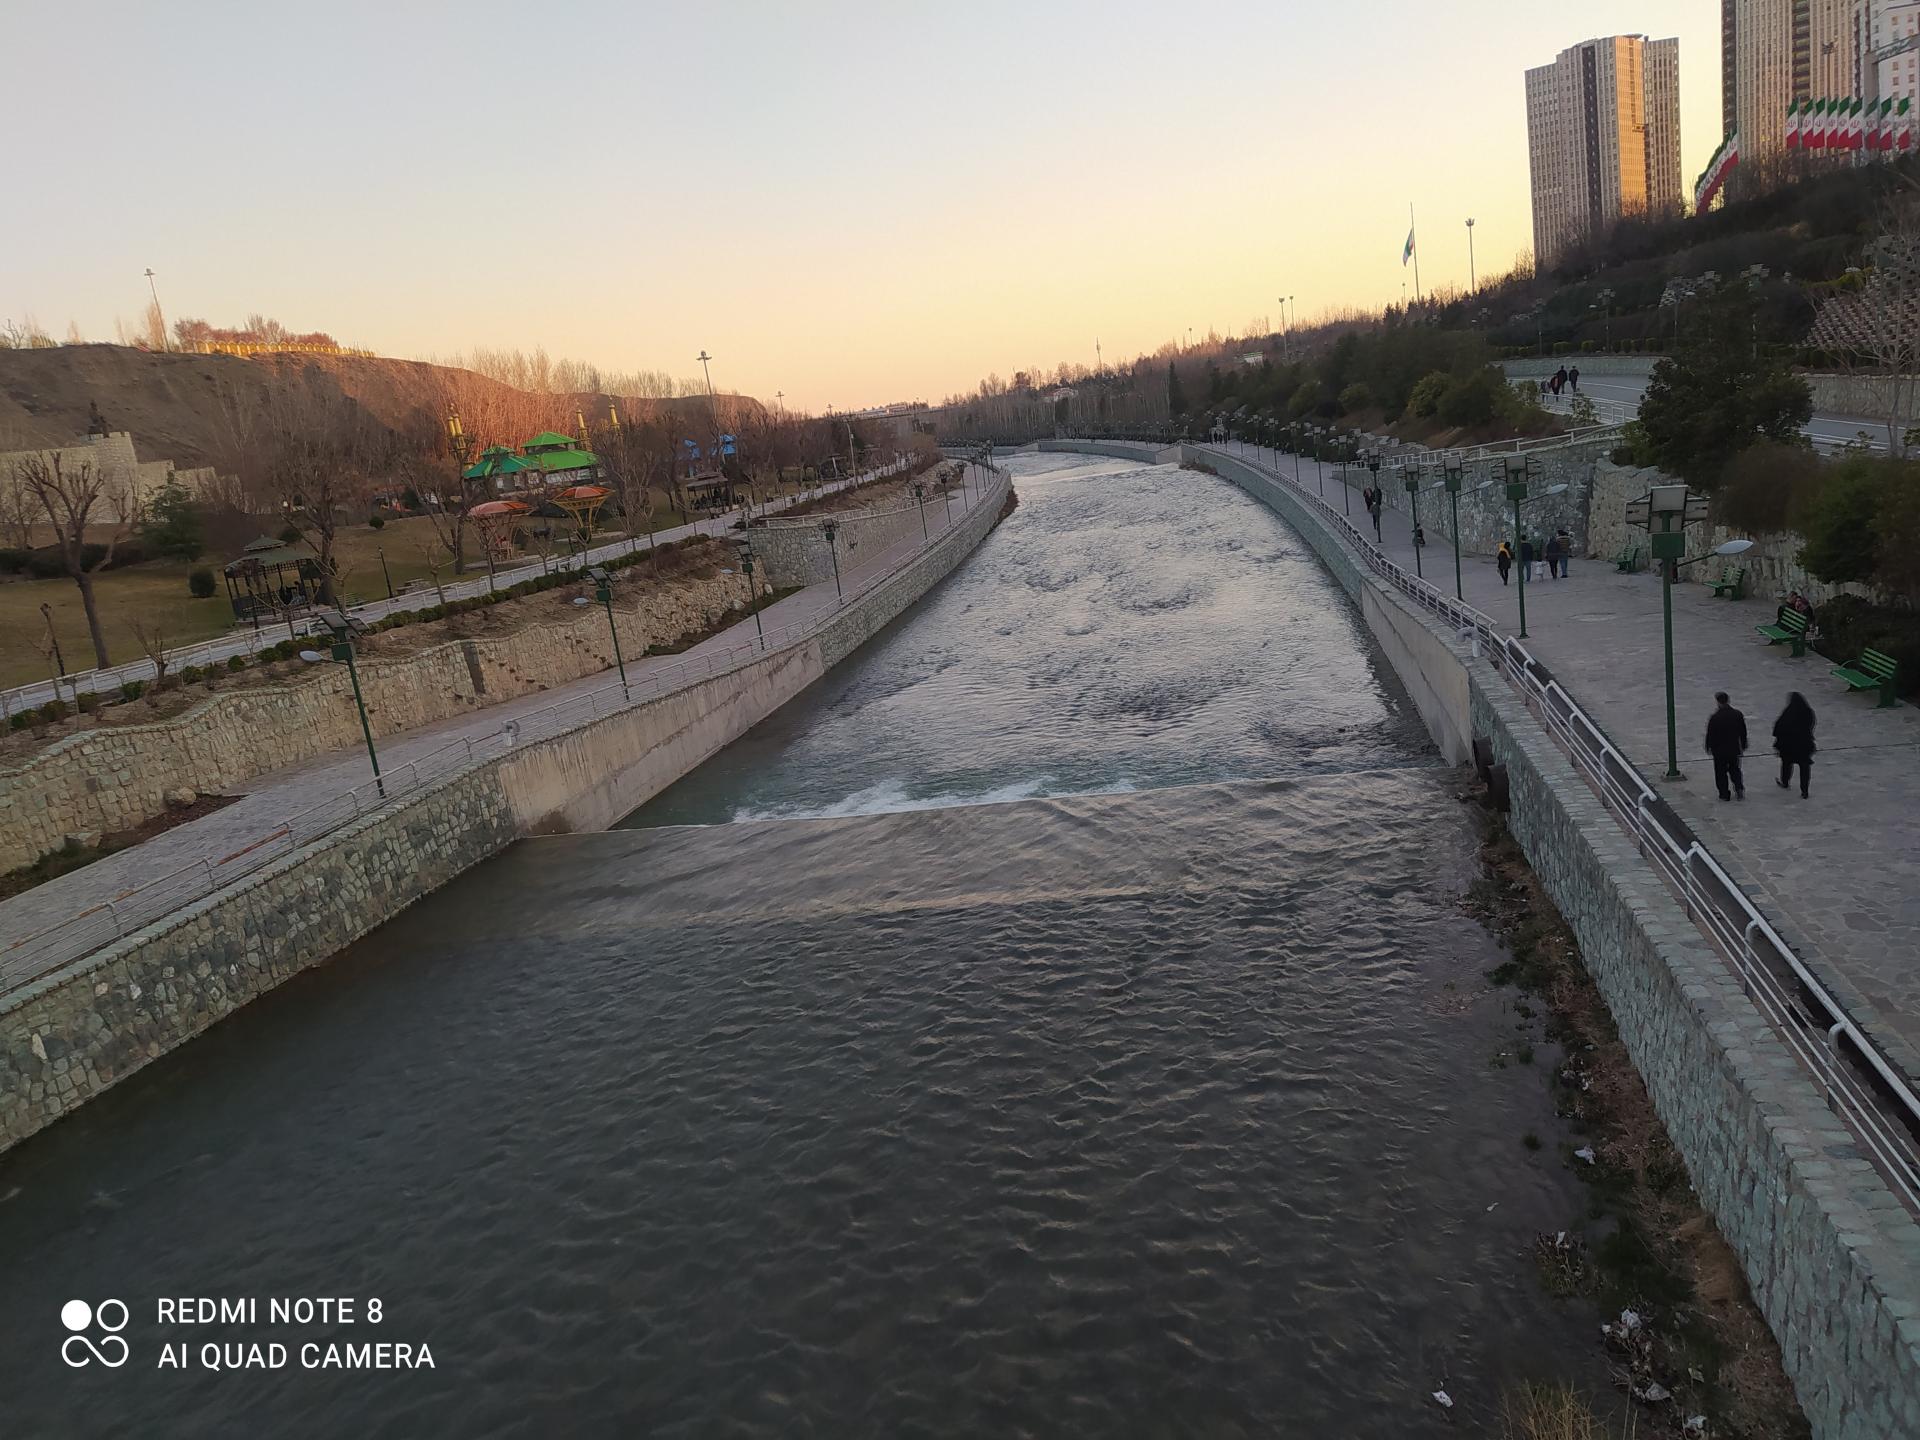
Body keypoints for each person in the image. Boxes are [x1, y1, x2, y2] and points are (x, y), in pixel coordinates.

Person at [1705, 691, 1749, 801]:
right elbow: (1743, 732)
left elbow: (1710, 734)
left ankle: (1724, 794)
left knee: (1720, 772)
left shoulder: (1715, 717)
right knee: (1735, 769)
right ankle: (1739, 788)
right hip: (1733, 748)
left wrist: (1708, 746)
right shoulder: (1737, 714)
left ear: (1718, 702)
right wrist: (1743, 745)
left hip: (1719, 750)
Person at [1772, 692, 1817, 798]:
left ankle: (1785, 782)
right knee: (1804, 768)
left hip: (1788, 746)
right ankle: (1804, 791)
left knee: (1787, 764)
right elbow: (1811, 725)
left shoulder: (1787, 713)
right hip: (1804, 745)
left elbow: (1778, 728)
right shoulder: (1808, 712)